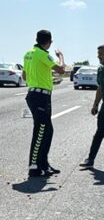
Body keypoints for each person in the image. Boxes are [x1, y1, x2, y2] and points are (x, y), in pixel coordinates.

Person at [23, 29, 66, 177]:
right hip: (40, 97)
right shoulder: (43, 54)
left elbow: (24, 75)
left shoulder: (28, 53)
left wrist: (43, 78)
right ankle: (34, 167)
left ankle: (44, 165)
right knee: (41, 131)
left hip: (34, 94)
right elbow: (61, 70)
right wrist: (61, 56)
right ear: (49, 42)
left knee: (48, 131)